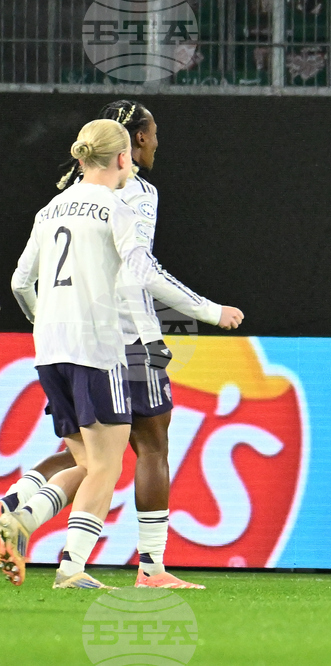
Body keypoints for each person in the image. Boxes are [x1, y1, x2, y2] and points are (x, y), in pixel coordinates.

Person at [3, 119, 243, 589]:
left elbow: (18, 282)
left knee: (89, 465)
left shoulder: (50, 209)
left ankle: (21, 518)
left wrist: (43, 319)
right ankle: (70, 568)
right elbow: (144, 275)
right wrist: (213, 312)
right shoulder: (117, 207)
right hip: (98, 347)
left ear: (80, 158)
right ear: (121, 159)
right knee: (109, 465)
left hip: (49, 349)